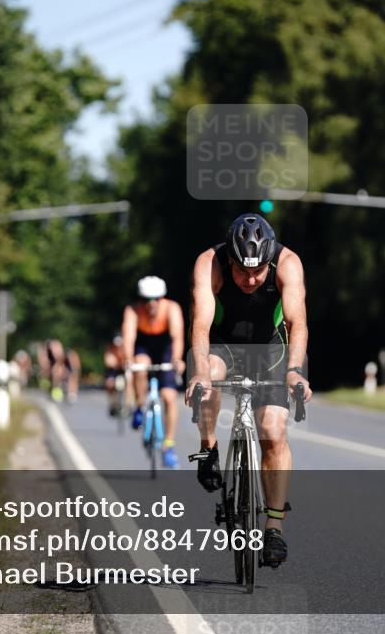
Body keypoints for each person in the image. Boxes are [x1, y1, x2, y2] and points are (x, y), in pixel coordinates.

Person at [186, 213, 312, 568]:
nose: (251, 279)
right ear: (230, 260)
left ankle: (273, 527)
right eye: (243, 270)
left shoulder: (288, 263)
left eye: (258, 271)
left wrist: (294, 372)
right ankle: (208, 449)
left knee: (272, 431)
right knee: (208, 375)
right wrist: (199, 375)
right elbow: (200, 324)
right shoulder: (209, 263)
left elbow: (297, 323)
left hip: (271, 349)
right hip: (222, 343)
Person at [123, 276, 186, 468]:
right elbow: (129, 337)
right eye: (146, 300)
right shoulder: (133, 310)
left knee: (169, 396)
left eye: (155, 299)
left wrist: (177, 359)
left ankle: (168, 444)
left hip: (165, 348)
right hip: (144, 346)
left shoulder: (172, 308)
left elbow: (177, 336)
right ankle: (140, 406)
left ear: (162, 298)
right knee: (140, 366)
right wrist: (127, 359)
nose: (151, 304)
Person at [103, 333, 127, 417]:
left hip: (123, 370)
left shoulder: (125, 348)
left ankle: (128, 404)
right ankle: (112, 403)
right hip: (113, 371)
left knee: (129, 383)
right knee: (110, 384)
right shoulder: (110, 349)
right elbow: (108, 361)